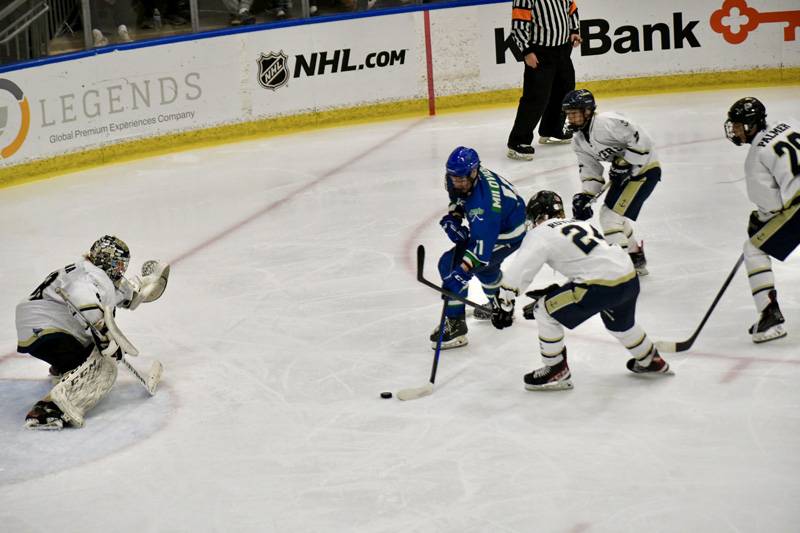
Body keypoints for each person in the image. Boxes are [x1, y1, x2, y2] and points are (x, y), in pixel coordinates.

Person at [490, 190, 671, 390]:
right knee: (620, 324)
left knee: (544, 311)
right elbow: (591, 262)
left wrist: (504, 305)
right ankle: (650, 359)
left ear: (536, 216)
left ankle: (556, 369)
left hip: (599, 286)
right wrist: (561, 291)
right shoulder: (582, 224)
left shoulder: (540, 232)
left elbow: (519, 272)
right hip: (628, 277)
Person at [15, 236, 169, 429]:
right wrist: (106, 339)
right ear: (108, 261)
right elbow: (87, 307)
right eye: (119, 264)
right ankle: (48, 410)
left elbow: (125, 295)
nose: (122, 270)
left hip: (40, 324)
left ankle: (65, 367)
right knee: (102, 367)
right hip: (45, 327)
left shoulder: (92, 273)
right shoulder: (88, 278)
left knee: (92, 349)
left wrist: (148, 284)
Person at [432, 146, 527, 349]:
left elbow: (480, 253)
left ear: (474, 172)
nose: (457, 182)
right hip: (504, 222)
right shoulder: (461, 177)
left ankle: (455, 326)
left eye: (461, 179)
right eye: (454, 178)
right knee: (488, 270)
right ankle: (501, 305)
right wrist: (454, 217)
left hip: (505, 234)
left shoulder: (484, 204)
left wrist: (459, 276)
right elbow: (458, 197)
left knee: (450, 264)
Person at [725, 97, 800, 343]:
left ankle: (770, 318)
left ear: (750, 125)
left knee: (753, 248)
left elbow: (773, 206)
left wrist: (760, 221)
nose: (734, 130)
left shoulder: (755, 158)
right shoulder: (787, 125)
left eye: (737, 125)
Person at [563, 88, 659, 275]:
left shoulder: (608, 123)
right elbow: (591, 170)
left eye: (574, 114)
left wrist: (625, 162)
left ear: (588, 111)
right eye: (568, 114)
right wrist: (586, 195)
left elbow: (642, 141)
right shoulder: (579, 141)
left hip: (645, 170)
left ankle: (620, 272)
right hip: (625, 176)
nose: (570, 119)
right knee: (612, 215)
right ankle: (634, 257)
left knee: (609, 217)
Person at [506, 0, 582, 161]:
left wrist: (574, 29)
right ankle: (518, 141)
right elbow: (519, 25)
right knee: (536, 97)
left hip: (562, 49)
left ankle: (552, 130)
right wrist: (526, 51)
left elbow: (571, 7)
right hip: (540, 52)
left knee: (565, 90)